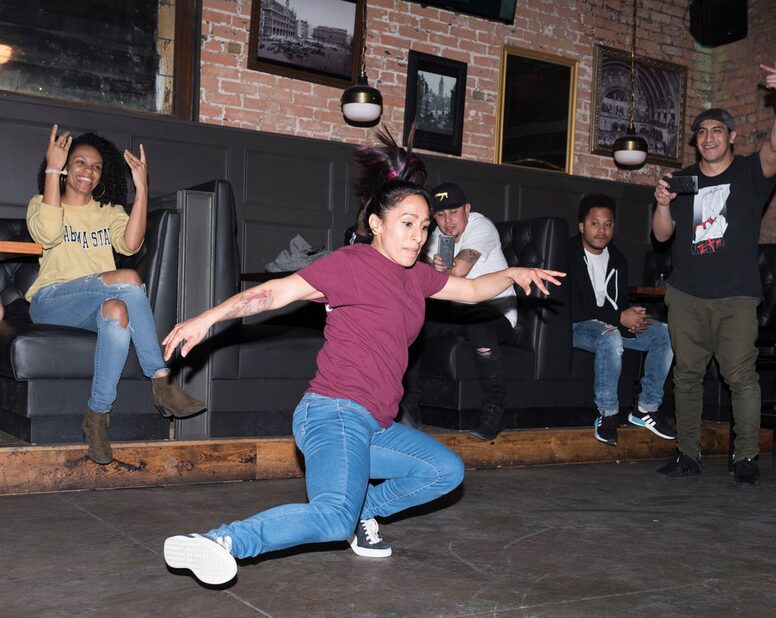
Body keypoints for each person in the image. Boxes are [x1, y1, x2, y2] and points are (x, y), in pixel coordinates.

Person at [161, 129, 564, 586]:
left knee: (444, 470)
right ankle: (222, 542)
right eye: (407, 224)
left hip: (376, 423)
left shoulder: (416, 279)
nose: (419, 236)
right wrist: (203, 320)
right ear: (377, 223)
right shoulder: (350, 264)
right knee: (331, 517)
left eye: (425, 226)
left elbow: (471, 290)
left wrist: (512, 271)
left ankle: (364, 513)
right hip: (333, 412)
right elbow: (274, 294)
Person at [26, 125, 206, 465]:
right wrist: (52, 169)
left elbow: (131, 243)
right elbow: (47, 232)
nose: (88, 172)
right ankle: (162, 380)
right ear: (65, 166)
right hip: (51, 303)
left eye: (95, 167)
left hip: (93, 304)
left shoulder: (107, 212)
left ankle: (96, 417)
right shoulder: (41, 203)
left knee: (118, 312)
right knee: (127, 278)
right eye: (79, 162)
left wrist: (142, 189)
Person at [652, 60, 776, 485]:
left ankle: (745, 457)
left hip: (735, 295)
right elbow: (662, 236)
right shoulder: (682, 180)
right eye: (701, 132)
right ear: (696, 142)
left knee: (741, 378)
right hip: (687, 293)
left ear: (731, 137)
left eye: (717, 130)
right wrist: (661, 201)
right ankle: (687, 454)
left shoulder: (751, 172)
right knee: (687, 376)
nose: (709, 137)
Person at [400, 182, 517, 440]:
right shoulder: (434, 236)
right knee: (415, 322)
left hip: (496, 313)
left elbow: (460, 272)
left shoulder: (480, 226)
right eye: (440, 215)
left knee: (479, 324)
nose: (447, 221)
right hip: (458, 312)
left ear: (467, 209)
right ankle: (409, 405)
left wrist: (439, 271)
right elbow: (425, 278)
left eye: (453, 212)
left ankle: (495, 410)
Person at [568, 194, 675, 446]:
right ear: (582, 226)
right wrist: (619, 318)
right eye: (595, 223)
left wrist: (632, 318)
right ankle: (607, 414)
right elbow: (571, 308)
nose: (601, 230)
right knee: (610, 334)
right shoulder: (566, 253)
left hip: (610, 324)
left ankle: (645, 409)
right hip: (576, 326)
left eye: (608, 224)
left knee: (664, 333)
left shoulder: (618, 259)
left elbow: (619, 304)